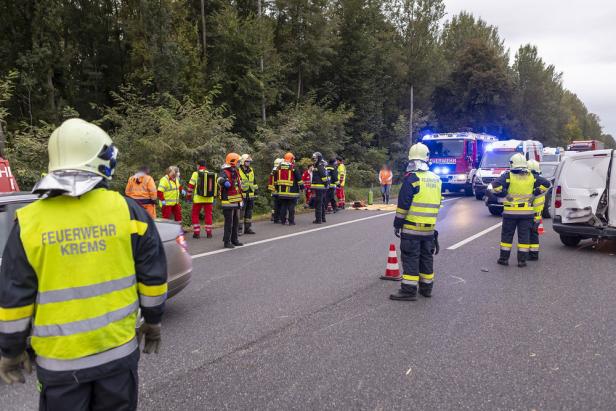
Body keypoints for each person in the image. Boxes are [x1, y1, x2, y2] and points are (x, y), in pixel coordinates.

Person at [0, 118, 167, 409]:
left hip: (60, 368)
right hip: (118, 356)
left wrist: (11, 352)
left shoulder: (28, 223)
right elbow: (153, 279)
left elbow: (14, 301)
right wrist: (152, 324)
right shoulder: (128, 211)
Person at [390, 143, 442, 301]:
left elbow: (403, 206)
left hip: (411, 228)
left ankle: (408, 290)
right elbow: (438, 202)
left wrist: (397, 224)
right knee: (426, 257)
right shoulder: (436, 179)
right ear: (427, 158)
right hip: (429, 229)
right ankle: (426, 288)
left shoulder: (412, 179)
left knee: (411, 257)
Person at [490, 153, 550, 267]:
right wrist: (535, 193)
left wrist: (506, 194)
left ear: (512, 164)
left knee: (507, 236)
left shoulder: (508, 176)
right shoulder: (532, 176)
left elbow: (495, 185)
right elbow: (547, 184)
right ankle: (522, 261)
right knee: (524, 237)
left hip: (510, 212)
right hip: (527, 213)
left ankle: (504, 259)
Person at [218, 153, 244, 248]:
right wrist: (224, 182)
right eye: (238, 161)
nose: (239, 163)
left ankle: (235, 240)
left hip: (236, 200)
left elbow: (238, 184)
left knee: (236, 221)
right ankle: (227, 241)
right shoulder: (224, 171)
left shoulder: (235, 171)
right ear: (232, 161)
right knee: (229, 222)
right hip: (228, 200)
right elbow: (219, 179)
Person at [186, 160, 217, 239]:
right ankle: (209, 233)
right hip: (209, 198)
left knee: (195, 214)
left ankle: (196, 233)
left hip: (198, 199)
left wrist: (188, 197)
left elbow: (190, 187)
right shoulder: (210, 174)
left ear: (198, 165)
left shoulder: (196, 174)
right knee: (208, 215)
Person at [527, 159, 550, 261]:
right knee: (534, 233)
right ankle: (534, 254)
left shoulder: (529, 181)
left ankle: (528, 253)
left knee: (527, 233)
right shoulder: (542, 183)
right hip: (537, 213)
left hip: (528, 212)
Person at [275, 152, 303, 225]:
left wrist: (277, 188)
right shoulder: (293, 168)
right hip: (292, 191)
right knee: (291, 206)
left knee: (283, 206)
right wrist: (302, 187)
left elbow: (276, 179)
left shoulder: (279, 167)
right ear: (291, 159)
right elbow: (299, 179)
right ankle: (291, 221)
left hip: (282, 191)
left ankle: (283, 221)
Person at [238, 154, 258, 235]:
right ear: (243, 161)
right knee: (241, 214)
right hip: (242, 195)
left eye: (249, 161)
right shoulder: (238, 170)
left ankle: (248, 228)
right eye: (247, 161)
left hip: (251, 195)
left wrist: (256, 191)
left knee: (249, 213)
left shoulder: (251, 170)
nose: (248, 163)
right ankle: (239, 229)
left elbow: (254, 181)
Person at [311, 152, 329, 224]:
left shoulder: (319, 166)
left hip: (320, 188)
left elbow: (323, 176)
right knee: (321, 203)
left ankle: (318, 220)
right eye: (313, 158)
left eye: (315, 158)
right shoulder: (316, 165)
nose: (314, 159)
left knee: (318, 203)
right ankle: (322, 218)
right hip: (319, 187)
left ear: (319, 158)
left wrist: (325, 184)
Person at [268, 158, 283, 223]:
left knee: (275, 205)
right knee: (279, 205)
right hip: (278, 190)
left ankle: (274, 217)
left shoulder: (273, 171)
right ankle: (277, 217)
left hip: (274, 191)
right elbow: (277, 182)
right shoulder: (278, 171)